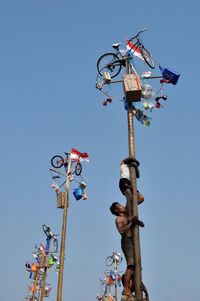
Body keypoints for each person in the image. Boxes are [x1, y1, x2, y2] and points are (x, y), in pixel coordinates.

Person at [110, 202, 144, 297]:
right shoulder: (119, 219)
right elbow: (121, 230)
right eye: (119, 206)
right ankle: (125, 288)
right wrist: (131, 223)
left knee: (137, 267)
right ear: (116, 210)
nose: (122, 206)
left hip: (133, 242)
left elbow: (139, 199)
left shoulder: (127, 215)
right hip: (126, 242)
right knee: (131, 265)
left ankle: (132, 286)